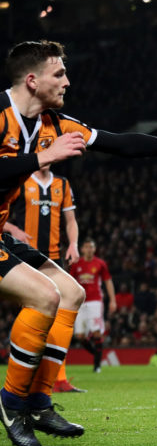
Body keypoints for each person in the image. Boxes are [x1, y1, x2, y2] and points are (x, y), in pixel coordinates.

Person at [0, 39, 157, 446]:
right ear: (31, 79)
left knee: (71, 294)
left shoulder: (52, 124)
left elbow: (120, 143)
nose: (67, 81)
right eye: (59, 74)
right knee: (43, 296)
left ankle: (40, 403)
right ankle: (11, 404)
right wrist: (40, 160)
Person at [5, 165, 83, 393]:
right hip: (23, 257)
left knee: (62, 313)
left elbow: (70, 220)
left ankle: (57, 379)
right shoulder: (21, 179)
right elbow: (3, 211)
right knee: (34, 316)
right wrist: (13, 230)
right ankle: (24, 380)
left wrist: (74, 244)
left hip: (52, 258)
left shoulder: (62, 184)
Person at [68, 239, 114, 375]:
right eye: (86, 247)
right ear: (82, 249)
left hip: (95, 301)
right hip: (80, 302)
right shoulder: (76, 264)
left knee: (96, 332)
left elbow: (108, 281)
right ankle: (97, 353)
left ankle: (97, 365)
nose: (89, 249)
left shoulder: (100, 264)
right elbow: (71, 282)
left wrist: (112, 300)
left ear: (94, 249)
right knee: (80, 336)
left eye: (91, 247)